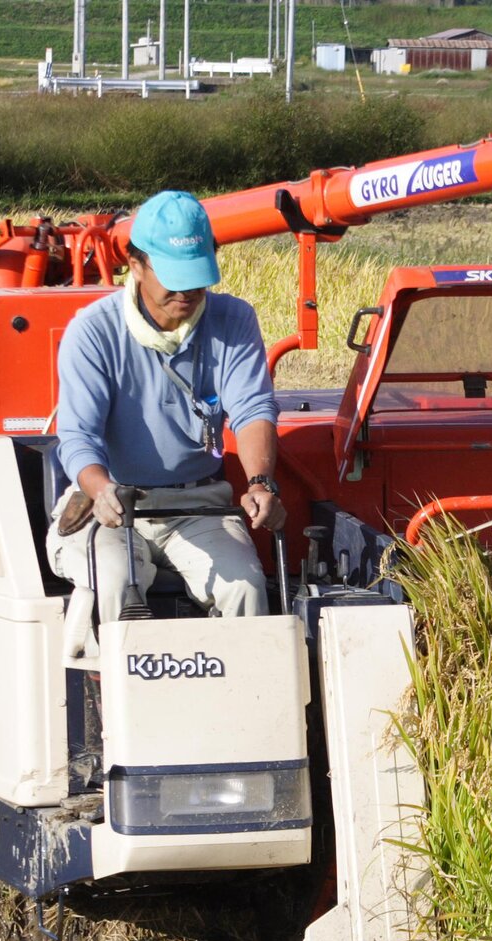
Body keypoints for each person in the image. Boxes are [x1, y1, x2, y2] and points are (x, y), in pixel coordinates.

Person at [47, 189, 284, 654]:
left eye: (196, 279)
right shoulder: (93, 331)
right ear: (135, 265)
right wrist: (100, 489)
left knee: (246, 588)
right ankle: (112, 716)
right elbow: (78, 436)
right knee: (112, 580)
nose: (186, 293)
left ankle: (242, 709)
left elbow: (253, 408)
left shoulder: (233, 320)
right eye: (173, 279)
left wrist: (260, 483)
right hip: (114, 504)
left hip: (197, 503)